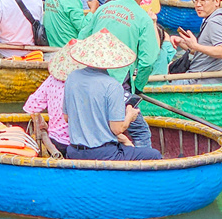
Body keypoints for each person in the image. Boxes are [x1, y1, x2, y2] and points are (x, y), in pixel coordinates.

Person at [80, 0, 159, 147]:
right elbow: (149, 60)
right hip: (117, 82)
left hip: (90, 77)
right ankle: (142, 166)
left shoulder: (103, 9)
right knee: (140, 131)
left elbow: (82, 37)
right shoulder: (143, 18)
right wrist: (138, 87)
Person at [63, 29, 162, 161]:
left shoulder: (72, 77)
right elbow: (117, 129)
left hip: (74, 151)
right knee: (154, 155)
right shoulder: (112, 85)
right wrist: (130, 116)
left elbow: (66, 117)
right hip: (104, 154)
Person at [23, 40, 82, 156]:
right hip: (78, 143)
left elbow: (31, 106)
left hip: (55, 139)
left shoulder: (52, 79)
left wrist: (43, 123)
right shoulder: (84, 83)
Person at [171, 0, 222, 85]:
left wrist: (196, 46)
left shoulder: (215, 22)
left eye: (203, 0)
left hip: (202, 80)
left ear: (217, 1)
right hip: (200, 77)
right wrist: (182, 42)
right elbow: (203, 52)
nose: (198, 5)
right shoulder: (214, 19)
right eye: (196, 0)